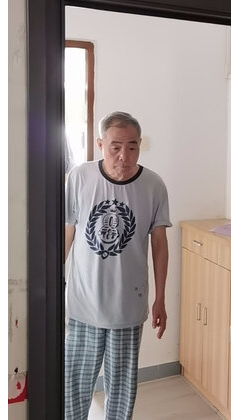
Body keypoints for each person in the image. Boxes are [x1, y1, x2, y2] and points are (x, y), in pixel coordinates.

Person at [63, 111, 171, 420]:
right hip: (83, 305)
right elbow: (67, 233)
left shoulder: (153, 185)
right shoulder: (79, 178)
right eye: (115, 147)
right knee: (74, 388)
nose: (124, 156)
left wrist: (160, 298)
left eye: (132, 146)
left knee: (122, 392)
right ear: (100, 144)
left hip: (128, 307)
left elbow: (159, 245)